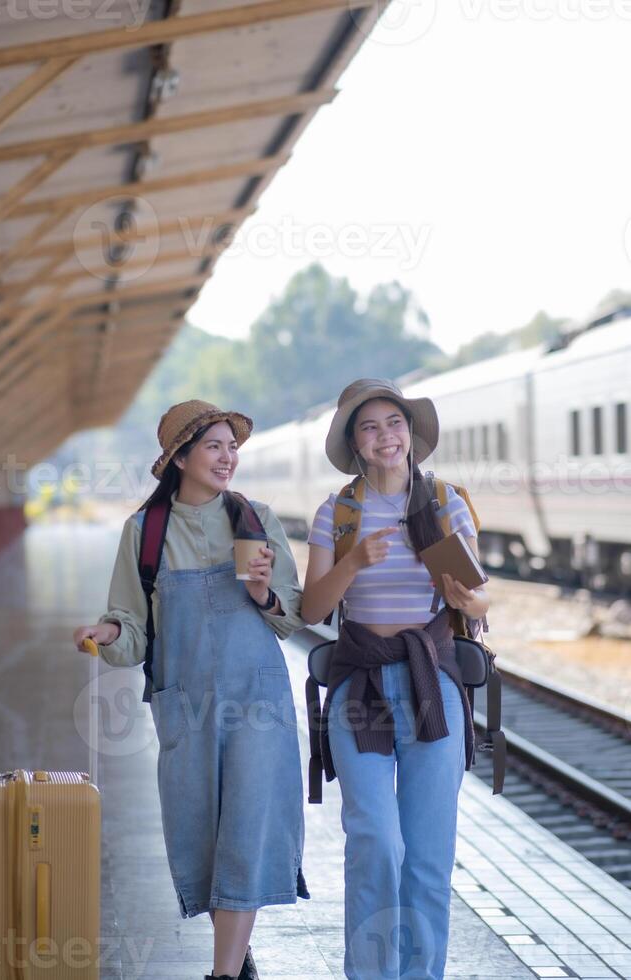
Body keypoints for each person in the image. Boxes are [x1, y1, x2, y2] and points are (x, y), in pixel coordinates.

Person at [73, 399, 309, 980]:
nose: (228, 458)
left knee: (248, 827)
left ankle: (223, 974)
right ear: (179, 456)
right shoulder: (145, 532)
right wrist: (107, 633)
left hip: (259, 702)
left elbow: (291, 617)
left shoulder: (254, 519)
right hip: (186, 706)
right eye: (213, 446)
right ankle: (236, 950)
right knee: (202, 833)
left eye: (232, 446)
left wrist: (261, 594)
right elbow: (130, 629)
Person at [302, 378, 490, 980]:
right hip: (361, 691)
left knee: (428, 858)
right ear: (355, 443)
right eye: (371, 426)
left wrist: (467, 598)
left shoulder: (440, 503)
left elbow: (479, 602)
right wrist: (353, 561)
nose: (386, 436)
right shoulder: (340, 512)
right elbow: (310, 610)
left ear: (411, 434)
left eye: (395, 423)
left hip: (433, 686)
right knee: (377, 844)